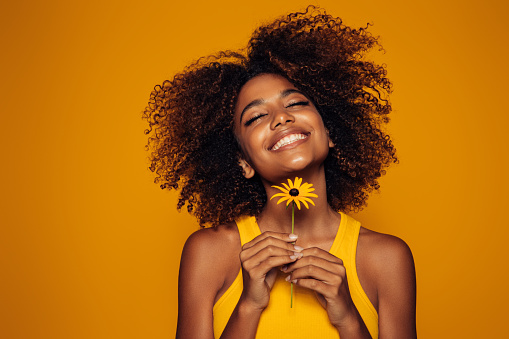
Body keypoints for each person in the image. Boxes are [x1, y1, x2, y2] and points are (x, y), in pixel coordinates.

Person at [143, 7, 416, 339]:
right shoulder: (209, 252)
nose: (281, 118)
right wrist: (249, 305)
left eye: (296, 103)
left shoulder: (387, 259)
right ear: (243, 161)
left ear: (329, 133)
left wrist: (348, 319)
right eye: (256, 116)